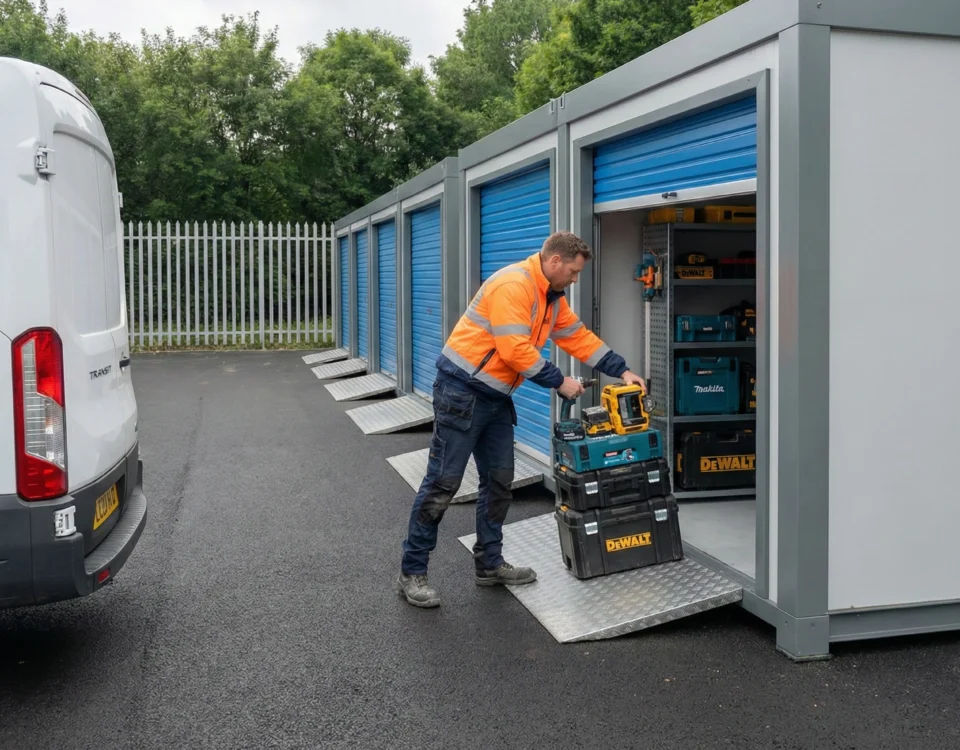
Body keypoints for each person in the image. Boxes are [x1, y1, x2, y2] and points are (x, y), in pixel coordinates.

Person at [396, 231, 646, 608]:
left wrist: (622, 371)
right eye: (574, 272)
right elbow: (514, 351)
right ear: (556, 262)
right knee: (443, 483)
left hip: (495, 399)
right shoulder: (514, 285)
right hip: (461, 393)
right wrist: (560, 382)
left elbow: (577, 337)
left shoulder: (550, 298)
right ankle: (412, 572)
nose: (575, 280)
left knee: (499, 482)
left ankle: (489, 564)